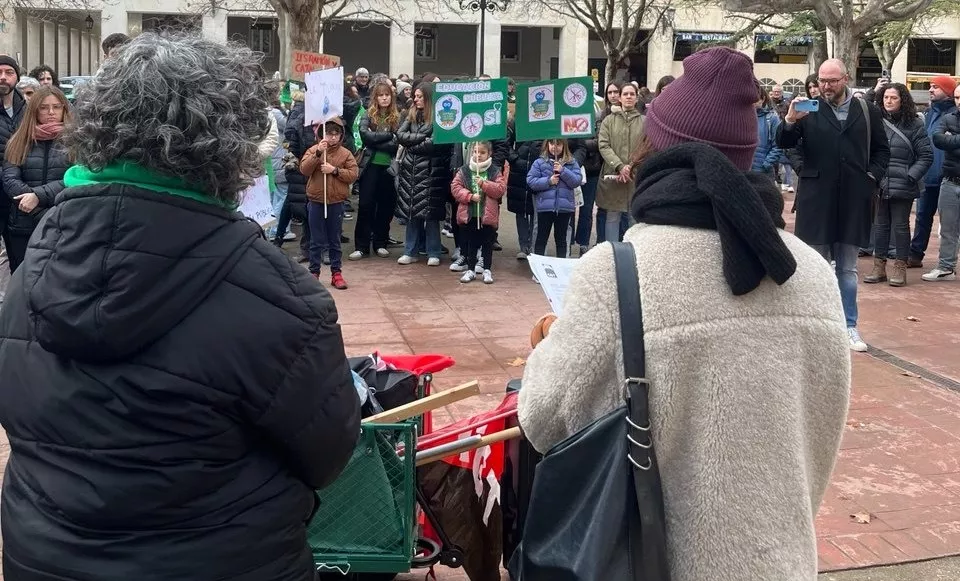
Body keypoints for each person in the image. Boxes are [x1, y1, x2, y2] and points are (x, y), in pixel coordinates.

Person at [0, 33, 360, 581]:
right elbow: (329, 454)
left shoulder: (33, 269)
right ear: (230, 144)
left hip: (46, 559)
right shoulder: (284, 299)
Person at [519, 46, 850, 581]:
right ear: (745, 154)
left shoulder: (618, 269)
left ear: (656, 145)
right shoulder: (810, 271)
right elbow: (822, 423)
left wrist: (550, 347)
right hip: (783, 561)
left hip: (662, 562)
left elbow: (543, 419)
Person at [777, 58, 890, 352]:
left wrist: (872, 177)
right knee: (814, 265)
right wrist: (790, 120)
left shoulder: (867, 110)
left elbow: (882, 150)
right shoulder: (808, 109)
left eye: (832, 81)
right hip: (817, 198)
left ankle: (849, 325)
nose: (825, 87)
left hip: (854, 197)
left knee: (848, 268)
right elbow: (785, 143)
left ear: (846, 78)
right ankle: (812, 325)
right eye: (822, 81)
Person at [863, 83, 932, 287]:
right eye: (885, 98)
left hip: (904, 184)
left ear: (903, 99)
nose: (889, 101)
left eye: (893, 97)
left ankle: (900, 266)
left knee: (901, 227)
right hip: (881, 182)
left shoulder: (915, 124)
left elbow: (926, 155)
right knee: (881, 226)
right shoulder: (877, 122)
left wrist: (910, 176)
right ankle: (879, 266)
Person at [2, 85, 70, 272]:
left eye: (56, 107)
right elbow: (9, 179)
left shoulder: (76, 142)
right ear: (34, 110)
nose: (50, 112)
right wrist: (30, 202)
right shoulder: (18, 141)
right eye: (43, 107)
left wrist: (38, 196)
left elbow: (75, 179)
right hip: (22, 224)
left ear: (64, 109)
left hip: (62, 224)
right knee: (22, 283)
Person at [395, 83, 452, 266]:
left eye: (420, 96)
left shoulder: (439, 117)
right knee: (412, 213)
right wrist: (420, 140)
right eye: (415, 96)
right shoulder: (410, 115)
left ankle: (433, 251)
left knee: (431, 215)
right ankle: (410, 251)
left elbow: (436, 143)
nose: (416, 99)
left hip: (431, 172)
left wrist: (411, 145)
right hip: (411, 172)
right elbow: (400, 135)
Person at [300, 117, 359, 290]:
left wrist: (335, 171)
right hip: (316, 201)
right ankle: (314, 272)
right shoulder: (313, 150)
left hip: (336, 202)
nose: (332, 137)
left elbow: (353, 174)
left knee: (334, 239)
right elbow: (304, 169)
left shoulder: (345, 154)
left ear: (341, 136)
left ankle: (336, 272)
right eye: (329, 133)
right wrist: (318, 153)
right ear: (321, 134)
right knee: (316, 240)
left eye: (336, 134)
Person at [910, 75, 958, 268]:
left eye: (935, 87)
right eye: (930, 86)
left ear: (947, 91)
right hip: (928, 175)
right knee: (922, 216)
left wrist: (948, 140)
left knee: (949, 225)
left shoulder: (956, 114)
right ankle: (915, 254)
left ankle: (946, 262)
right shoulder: (929, 114)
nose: (930, 90)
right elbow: (935, 140)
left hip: (950, 176)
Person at [352, 82, 400, 260]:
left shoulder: (397, 115)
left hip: (389, 167)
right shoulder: (367, 114)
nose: (384, 98)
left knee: (386, 206)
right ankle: (361, 246)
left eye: (387, 95)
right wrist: (388, 135)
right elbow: (365, 136)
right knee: (365, 205)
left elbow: (398, 142)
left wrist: (377, 139)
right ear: (375, 97)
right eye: (381, 95)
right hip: (370, 165)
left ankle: (380, 242)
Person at [450, 141, 507, 283]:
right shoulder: (464, 170)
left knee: (487, 243)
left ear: (489, 153)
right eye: (476, 152)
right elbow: (455, 187)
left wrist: (484, 184)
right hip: (470, 215)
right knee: (471, 243)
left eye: (482, 152)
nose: (478, 155)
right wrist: (469, 196)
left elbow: (500, 189)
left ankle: (487, 269)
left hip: (487, 216)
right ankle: (470, 270)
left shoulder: (494, 171)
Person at [597, 81, 644, 243]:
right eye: (626, 94)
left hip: (635, 176)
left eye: (632, 94)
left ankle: (632, 256)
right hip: (613, 175)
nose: (629, 97)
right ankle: (611, 252)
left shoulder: (645, 122)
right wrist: (619, 166)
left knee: (634, 218)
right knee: (612, 217)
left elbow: (647, 146)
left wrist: (630, 167)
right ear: (620, 98)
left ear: (637, 98)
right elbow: (603, 145)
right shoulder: (608, 121)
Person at [922, 85, 960, 283]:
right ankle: (946, 267)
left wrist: (951, 140)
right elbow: (937, 139)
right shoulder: (948, 118)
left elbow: (946, 142)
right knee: (947, 228)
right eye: (957, 97)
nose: (959, 101)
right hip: (950, 181)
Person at [526, 138, 582, 258]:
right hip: (545, 208)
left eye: (558, 144)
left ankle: (560, 266)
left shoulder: (572, 163)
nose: (554, 147)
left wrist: (563, 171)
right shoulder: (539, 162)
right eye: (551, 143)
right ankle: (538, 268)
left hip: (564, 208)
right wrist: (549, 181)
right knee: (541, 238)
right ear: (547, 144)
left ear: (564, 146)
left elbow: (576, 181)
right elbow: (531, 181)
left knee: (561, 240)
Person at [0, 55, 26, 267]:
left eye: (9, 73)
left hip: (18, 192)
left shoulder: (28, 109)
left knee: (18, 255)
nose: (3, 77)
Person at [506, 114, 541, 259]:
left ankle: (533, 245)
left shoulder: (547, 119)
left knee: (535, 209)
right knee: (521, 210)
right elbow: (506, 143)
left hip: (539, 170)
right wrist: (514, 159)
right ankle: (523, 245)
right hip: (519, 170)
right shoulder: (517, 120)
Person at [752, 85, 783, 180]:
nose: (752, 102)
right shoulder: (742, 117)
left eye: (755, 98)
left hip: (763, 172)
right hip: (745, 170)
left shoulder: (772, 118)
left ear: (763, 99)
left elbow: (778, 145)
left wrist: (766, 164)